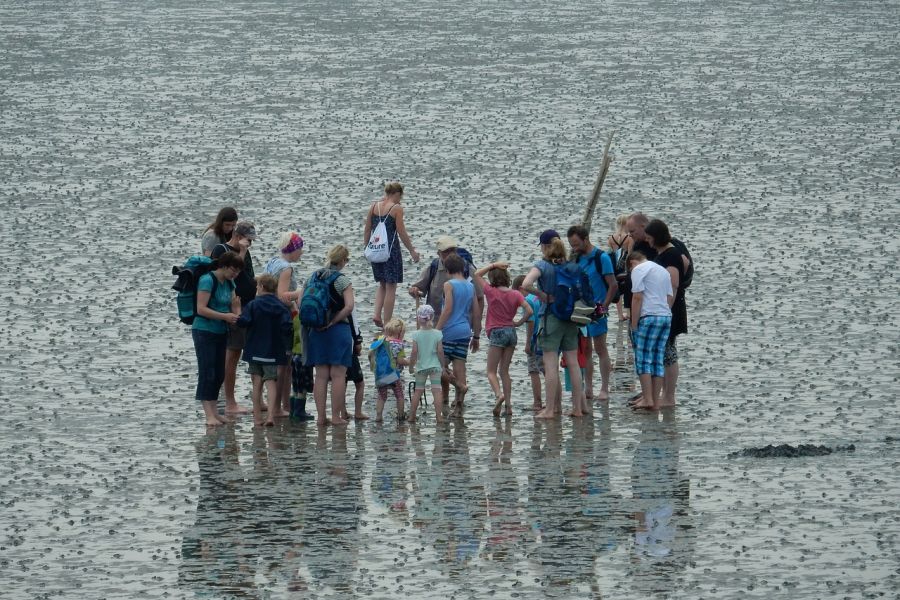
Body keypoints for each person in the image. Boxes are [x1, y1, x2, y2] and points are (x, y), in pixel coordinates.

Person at [408, 235, 485, 410]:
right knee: (453, 364)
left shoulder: (460, 275)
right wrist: (415, 290)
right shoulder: (434, 267)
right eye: (446, 252)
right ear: (439, 254)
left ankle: (458, 393)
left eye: (452, 250)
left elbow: (453, 308)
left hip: (445, 328)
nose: (449, 254)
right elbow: (419, 287)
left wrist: (477, 332)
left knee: (438, 365)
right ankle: (449, 400)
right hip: (457, 329)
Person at [521, 237, 589, 419]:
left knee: (550, 365)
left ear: (545, 247)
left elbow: (526, 284)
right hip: (571, 318)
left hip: (551, 317)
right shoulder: (570, 265)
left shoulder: (542, 265)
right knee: (573, 364)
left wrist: (542, 295)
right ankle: (577, 408)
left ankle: (550, 409)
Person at [210, 220, 257, 415]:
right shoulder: (222, 251)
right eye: (248, 240)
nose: (250, 244)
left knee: (253, 353)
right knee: (233, 354)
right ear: (237, 236)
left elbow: (249, 276)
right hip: (233, 307)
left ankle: (257, 399)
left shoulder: (246, 253)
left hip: (249, 306)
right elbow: (231, 276)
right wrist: (243, 253)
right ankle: (229, 401)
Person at [191, 251, 244, 427]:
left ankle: (216, 412)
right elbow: (201, 309)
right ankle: (209, 415)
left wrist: (236, 315)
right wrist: (225, 316)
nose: (235, 274)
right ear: (223, 265)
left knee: (220, 373)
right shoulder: (207, 280)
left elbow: (234, 304)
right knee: (208, 372)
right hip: (204, 330)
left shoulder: (229, 282)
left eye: (238, 272)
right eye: (233, 270)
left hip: (221, 331)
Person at [473, 262, 532, 417]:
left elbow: (476, 274)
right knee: (504, 371)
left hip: (496, 332)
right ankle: (508, 406)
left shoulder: (490, 291)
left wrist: (493, 265)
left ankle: (499, 395)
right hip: (511, 333)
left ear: (493, 278)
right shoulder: (516, 294)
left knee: (491, 371)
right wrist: (519, 322)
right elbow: (529, 310)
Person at [305, 244, 355, 426]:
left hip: (316, 330)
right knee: (338, 375)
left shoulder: (313, 275)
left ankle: (320, 417)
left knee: (321, 375)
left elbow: (303, 298)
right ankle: (335, 416)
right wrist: (334, 321)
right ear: (342, 260)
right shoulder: (342, 280)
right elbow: (349, 306)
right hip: (338, 330)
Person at [567, 224, 618, 402]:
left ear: (585, 239)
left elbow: (613, 285)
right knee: (585, 349)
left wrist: (604, 307)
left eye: (576, 244)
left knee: (601, 348)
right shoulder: (575, 259)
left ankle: (604, 388)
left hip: (597, 310)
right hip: (581, 310)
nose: (574, 248)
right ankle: (588, 388)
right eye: (571, 245)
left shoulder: (601, 257)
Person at [236, 274, 292, 427]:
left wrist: (236, 311)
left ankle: (257, 419)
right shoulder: (281, 306)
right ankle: (271, 416)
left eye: (257, 286)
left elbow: (244, 322)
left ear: (261, 287)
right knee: (271, 382)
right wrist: (287, 348)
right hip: (273, 351)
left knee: (257, 384)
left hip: (254, 350)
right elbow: (287, 327)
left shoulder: (253, 305)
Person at [363, 182, 421, 327]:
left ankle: (376, 314)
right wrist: (412, 251)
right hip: (390, 251)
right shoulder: (396, 209)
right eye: (400, 196)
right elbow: (401, 232)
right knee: (391, 286)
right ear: (397, 194)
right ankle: (388, 321)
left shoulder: (374, 206)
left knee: (382, 284)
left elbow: (367, 229)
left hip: (376, 250)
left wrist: (367, 249)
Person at [645, 219, 689, 408]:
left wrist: (665, 310)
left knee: (668, 352)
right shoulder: (665, 252)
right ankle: (664, 395)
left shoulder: (671, 255)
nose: (647, 241)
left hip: (669, 309)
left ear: (657, 237)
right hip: (665, 308)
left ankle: (669, 397)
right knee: (665, 352)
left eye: (649, 238)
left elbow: (674, 284)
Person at [434, 254, 481, 418]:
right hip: (464, 332)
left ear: (448, 270)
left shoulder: (449, 285)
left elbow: (447, 309)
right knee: (460, 368)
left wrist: (436, 330)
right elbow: (476, 313)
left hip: (449, 331)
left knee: (437, 367)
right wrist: (477, 336)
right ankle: (458, 408)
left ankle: (458, 386)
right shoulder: (470, 286)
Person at [265, 231, 306, 419]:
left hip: (270, 316)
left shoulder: (273, 262)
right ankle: (281, 405)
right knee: (285, 365)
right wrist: (300, 292)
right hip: (283, 317)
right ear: (293, 249)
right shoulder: (286, 268)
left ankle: (282, 404)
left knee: (280, 363)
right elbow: (282, 295)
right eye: (300, 248)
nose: (302, 253)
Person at [627, 251, 673, 410]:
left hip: (649, 316)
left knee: (643, 358)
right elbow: (669, 297)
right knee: (657, 358)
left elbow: (637, 297)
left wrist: (634, 324)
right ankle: (654, 400)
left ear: (632, 262)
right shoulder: (663, 271)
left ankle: (647, 399)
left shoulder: (638, 269)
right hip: (665, 316)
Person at [408, 305, 448, 423]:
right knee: (436, 391)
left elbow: (414, 352)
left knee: (418, 391)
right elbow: (440, 351)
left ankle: (411, 416)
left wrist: (411, 366)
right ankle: (439, 417)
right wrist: (443, 365)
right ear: (432, 317)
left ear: (418, 318)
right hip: (435, 367)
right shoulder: (437, 334)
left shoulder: (416, 334)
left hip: (421, 367)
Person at [514, 275, 544, 412]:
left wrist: (527, 343)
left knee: (533, 371)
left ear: (521, 289)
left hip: (534, 339)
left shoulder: (526, 300)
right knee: (548, 370)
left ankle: (537, 403)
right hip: (544, 337)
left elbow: (530, 321)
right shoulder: (537, 297)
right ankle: (554, 403)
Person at [373, 318, 410, 422]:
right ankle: (401, 415)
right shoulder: (399, 344)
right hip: (393, 375)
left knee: (381, 396)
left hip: (380, 374)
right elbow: (400, 361)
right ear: (400, 333)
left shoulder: (380, 342)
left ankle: (379, 416)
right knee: (399, 395)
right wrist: (410, 362)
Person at [607, 214, 632, 321]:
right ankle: (628, 313)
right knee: (627, 288)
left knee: (617, 289)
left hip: (614, 266)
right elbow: (630, 254)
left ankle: (620, 315)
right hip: (625, 265)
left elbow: (611, 253)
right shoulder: (629, 238)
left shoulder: (611, 238)